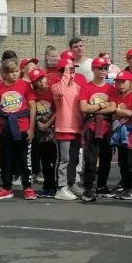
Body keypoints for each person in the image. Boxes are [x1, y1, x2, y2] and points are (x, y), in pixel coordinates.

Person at [0, 58, 37, 201]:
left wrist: (31, 128)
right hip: (4, 129)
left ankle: (27, 187)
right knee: (6, 160)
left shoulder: (25, 86)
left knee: (24, 159)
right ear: (4, 73)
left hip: (22, 128)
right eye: (11, 72)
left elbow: (32, 107)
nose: (14, 75)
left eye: (16, 71)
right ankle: (6, 188)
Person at [78, 57, 117, 202]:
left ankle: (102, 185)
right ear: (93, 69)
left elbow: (113, 108)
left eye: (105, 68)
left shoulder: (110, 88)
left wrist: (94, 108)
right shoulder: (86, 87)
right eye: (100, 68)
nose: (103, 71)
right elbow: (83, 107)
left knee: (106, 157)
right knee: (90, 158)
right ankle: (88, 188)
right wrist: (102, 106)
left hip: (106, 126)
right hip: (92, 126)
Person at [52, 57, 82, 201]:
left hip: (76, 128)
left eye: (73, 70)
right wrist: (65, 74)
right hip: (63, 128)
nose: (72, 73)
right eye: (69, 70)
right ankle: (61, 188)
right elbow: (60, 93)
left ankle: (71, 183)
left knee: (74, 159)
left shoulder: (77, 88)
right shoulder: (57, 86)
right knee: (64, 159)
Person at [110, 71, 132, 200]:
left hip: (131, 133)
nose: (120, 85)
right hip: (119, 132)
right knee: (122, 161)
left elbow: (131, 113)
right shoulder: (115, 95)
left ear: (131, 82)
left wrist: (117, 111)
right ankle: (126, 183)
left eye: (123, 82)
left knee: (131, 161)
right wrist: (120, 112)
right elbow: (114, 113)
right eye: (118, 82)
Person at [29, 68, 57, 199]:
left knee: (53, 160)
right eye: (37, 81)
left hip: (52, 131)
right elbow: (32, 112)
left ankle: (54, 186)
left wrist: (48, 124)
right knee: (44, 161)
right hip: (39, 132)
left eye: (42, 78)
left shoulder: (52, 91)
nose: (40, 82)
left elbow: (57, 110)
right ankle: (47, 186)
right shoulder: (33, 94)